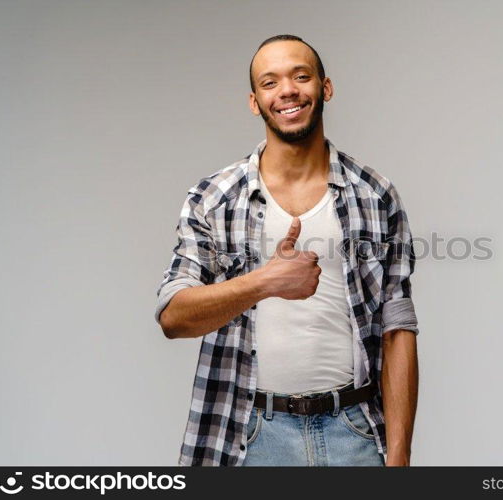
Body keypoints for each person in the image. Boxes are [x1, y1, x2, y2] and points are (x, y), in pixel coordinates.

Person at [154, 34, 419, 467]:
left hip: (355, 432)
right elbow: (173, 316)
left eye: (301, 76)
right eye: (270, 82)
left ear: (325, 87)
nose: (288, 91)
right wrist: (264, 281)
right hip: (251, 435)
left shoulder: (375, 194)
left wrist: (400, 457)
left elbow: (398, 327)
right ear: (255, 101)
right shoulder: (214, 198)